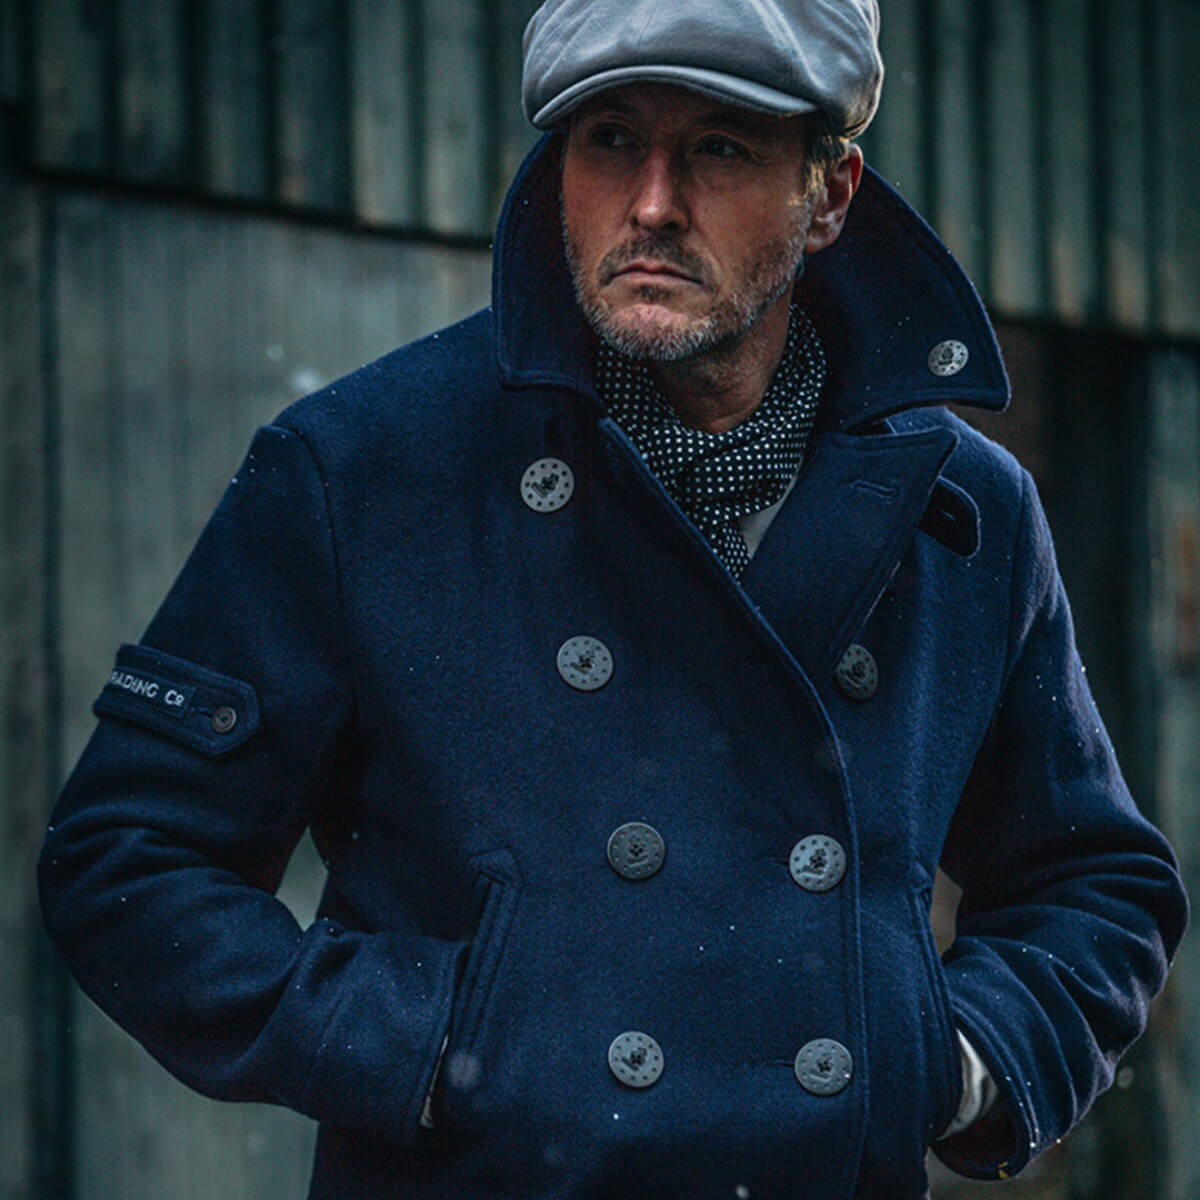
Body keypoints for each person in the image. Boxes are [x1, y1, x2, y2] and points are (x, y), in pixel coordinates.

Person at [39, 2, 1188, 1197]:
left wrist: (951, 1064)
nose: (650, 203)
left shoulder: (966, 512)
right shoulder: (366, 470)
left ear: (829, 195)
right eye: (608, 140)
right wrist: (436, 1047)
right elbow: (129, 859)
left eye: (719, 148)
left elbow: (1096, 884)